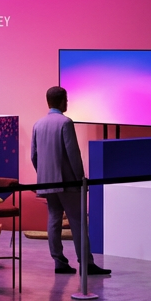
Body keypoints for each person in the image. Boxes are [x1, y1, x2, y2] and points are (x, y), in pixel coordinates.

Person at [31, 86, 111, 276]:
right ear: (61, 101)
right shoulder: (65, 123)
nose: (67, 103)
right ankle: (86, 263)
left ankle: (59, 262)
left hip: (47, 182)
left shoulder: (38, 124)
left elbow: (34, 156)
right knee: (78, 222)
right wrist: (80, 179)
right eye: (66, 100)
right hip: (67, 182)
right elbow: (73, 154)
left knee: (54, 220)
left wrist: (43, 175)